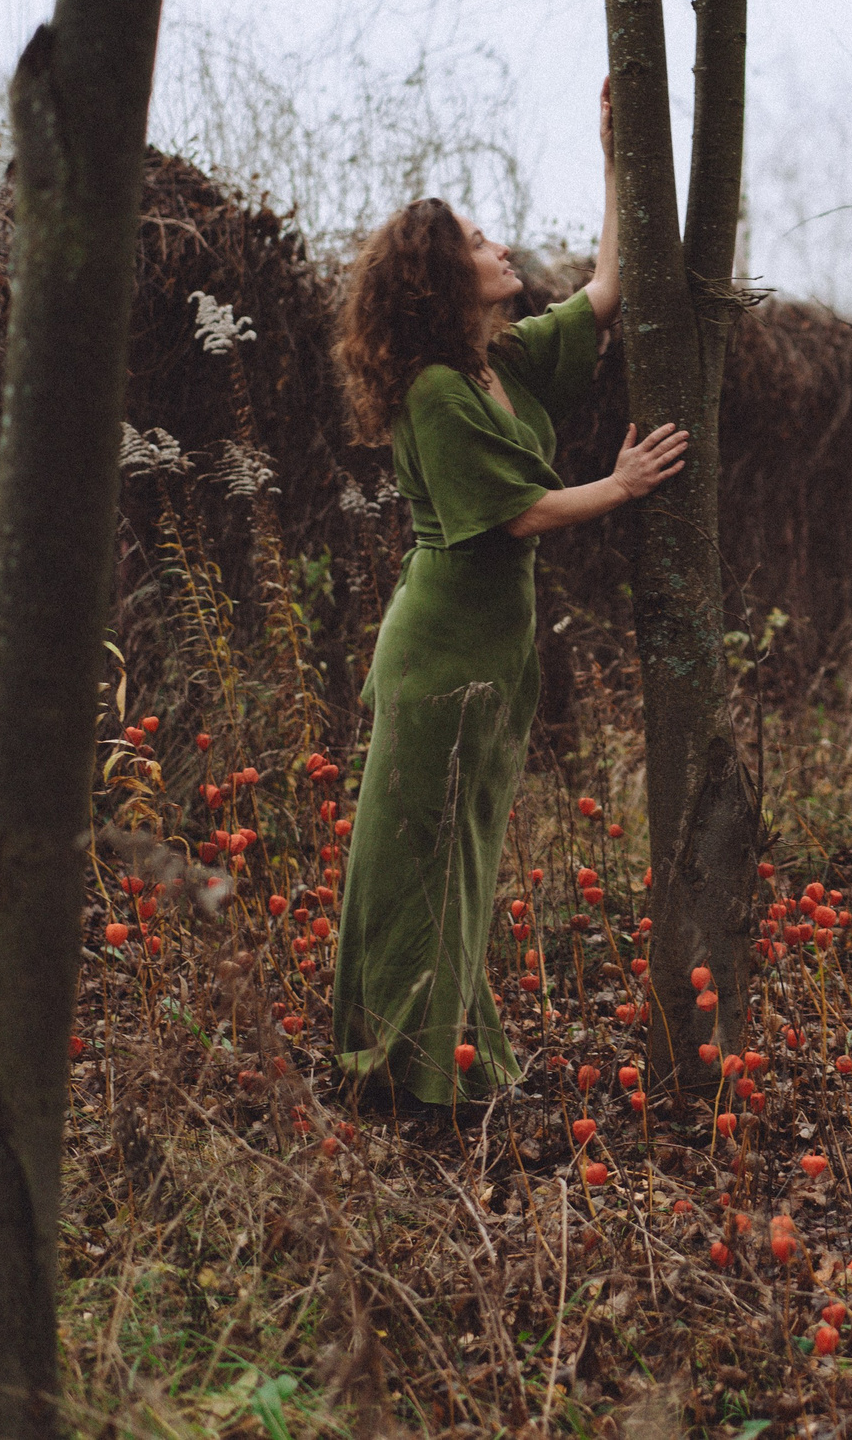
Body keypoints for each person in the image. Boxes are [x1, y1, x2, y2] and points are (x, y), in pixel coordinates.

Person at [328, 80, 687, 1108]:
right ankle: (395, 1067)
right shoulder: (438, 392)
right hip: (441, 644)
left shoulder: (499, 365)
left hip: (493, 642)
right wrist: (618, 488)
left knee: (468, 849)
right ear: (449, 279)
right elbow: (516, 514)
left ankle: (442, 1050)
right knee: (420, 854)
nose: (503, 252)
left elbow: (610, 291)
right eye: (484, 243)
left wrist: (614, 150)